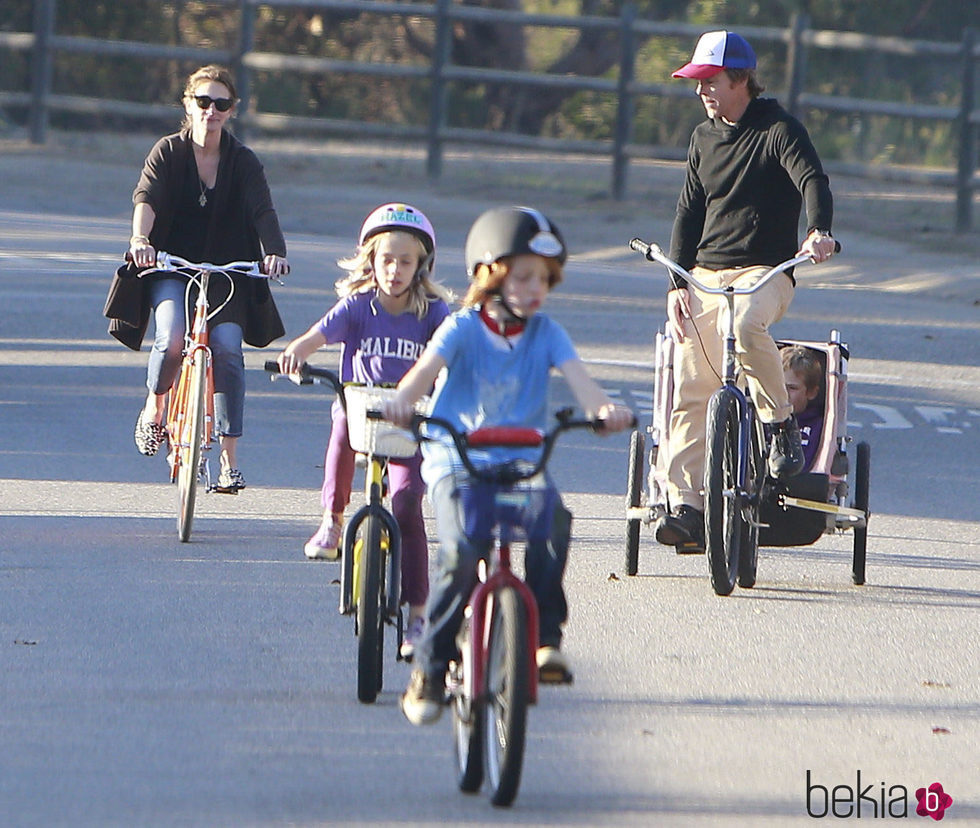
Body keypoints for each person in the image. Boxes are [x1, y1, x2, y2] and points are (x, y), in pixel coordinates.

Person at [380, 206, 634, 726]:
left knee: (553, 520)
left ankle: (543, 639)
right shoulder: (462, 328)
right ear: (489, 275)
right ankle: (429, 666)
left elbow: (582, 384)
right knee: (464, 546)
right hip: (458, 458)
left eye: (543, 279)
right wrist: (403, 402)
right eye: (523, 276)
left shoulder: (547, 333)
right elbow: (423, 372)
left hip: (520, 458)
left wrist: (603, 411)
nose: (535, 288)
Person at [654, 30, 838, 553]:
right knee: (692, 385)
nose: (701, 92)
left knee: (745, 324)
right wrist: (677, 282)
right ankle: (687, 508)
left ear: (740, 79)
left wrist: (818, 231)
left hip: (767, 272)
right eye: (697, 83)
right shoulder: (702, 138)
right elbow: (688, 213)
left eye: (709, 81)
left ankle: (779, 426)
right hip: (705, 276)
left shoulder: (778, 128)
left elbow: (812, 180)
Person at [277, 203, 451, 658]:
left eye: (406, 261)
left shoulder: (432, 311)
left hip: (409, 420)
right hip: (360, 410)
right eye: (386, 259)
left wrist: (454, 382)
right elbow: (318, 335)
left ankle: (417, 615)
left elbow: (454, 350)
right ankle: (332, 522)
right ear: (371, 260)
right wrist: (297, 351)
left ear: (422, 266)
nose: (394, 270)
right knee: (339, 431)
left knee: (409, 505)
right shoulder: (358, 306)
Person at [107, 64, 289, 492]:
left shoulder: (243, 162)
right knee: (170, 337)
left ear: (231, 111)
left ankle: (229, 462)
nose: (211, 110)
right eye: (203, 101)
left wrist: (274, 252)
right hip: (172, 264)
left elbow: (263, 210)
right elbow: (146, 196)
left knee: (227, 350)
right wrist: (140, 238)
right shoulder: (167, 152)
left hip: (228, 272)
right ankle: (155, 407)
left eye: (221, 103)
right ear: (188, 105)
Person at [782, 345, 824, 473]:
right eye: (779, 386)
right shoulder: (758, 421)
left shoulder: (818, 426)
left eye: (792, 388)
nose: (783, 393)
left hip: (799, 482)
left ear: (811, 393)